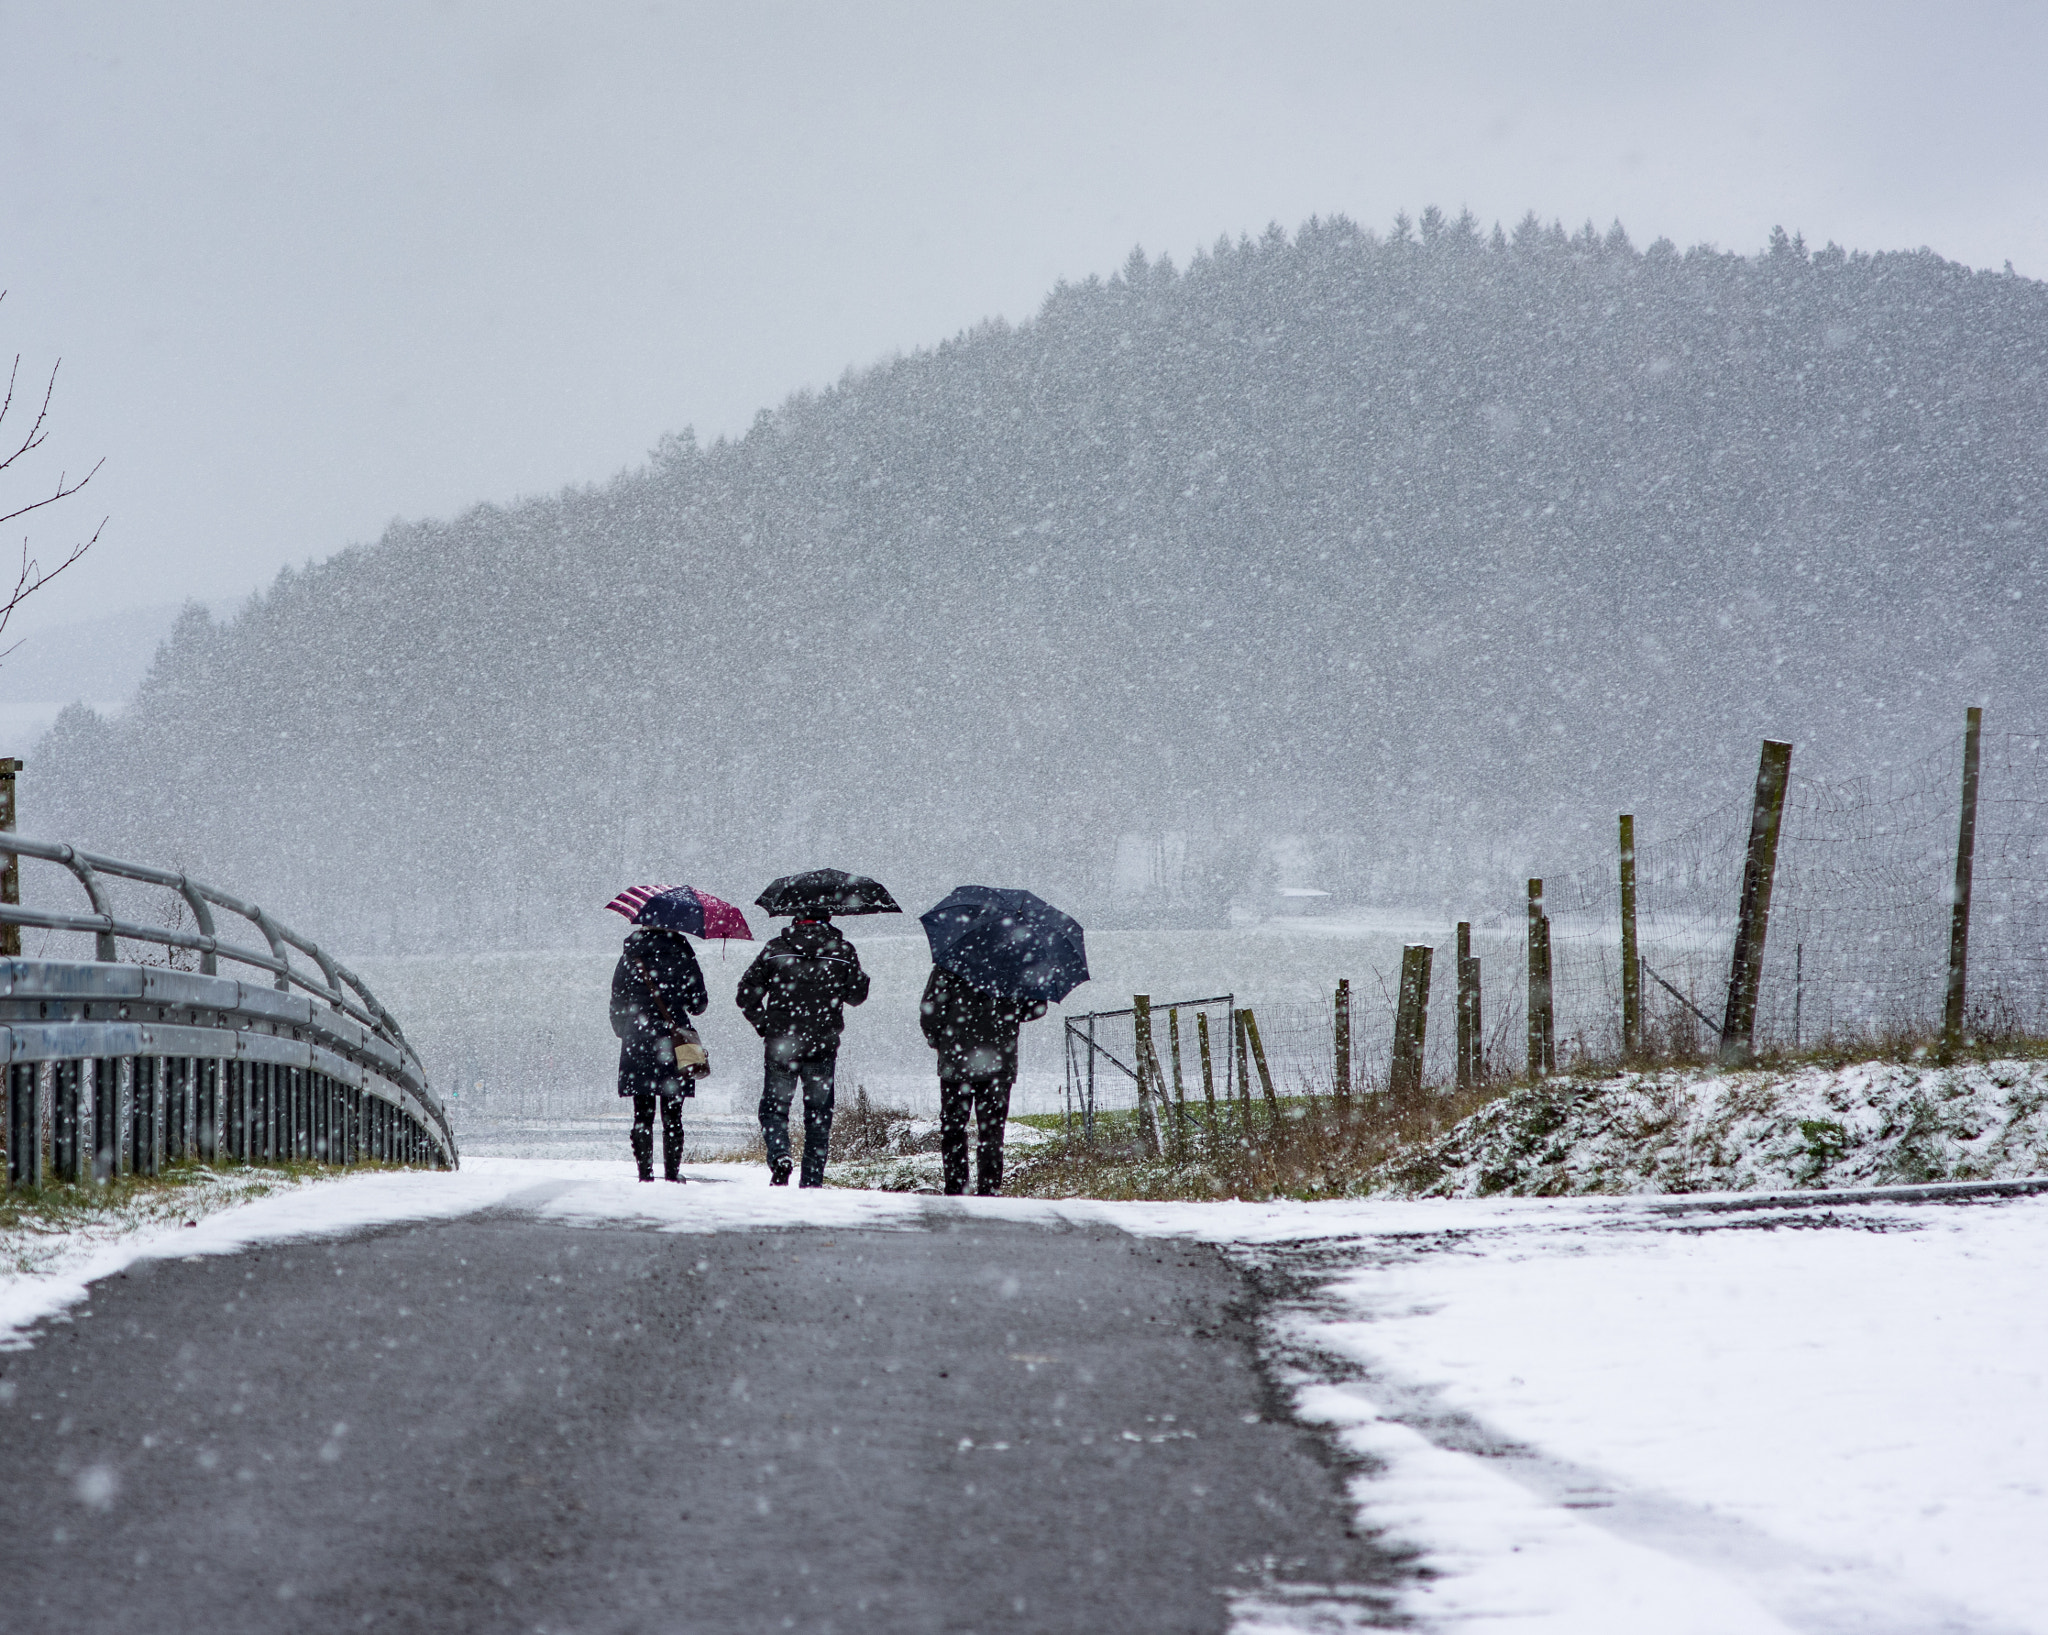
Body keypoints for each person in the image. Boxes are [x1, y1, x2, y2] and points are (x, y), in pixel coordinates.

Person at [736, 915, 870, 1186]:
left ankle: (780, 1155)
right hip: (822, 1045)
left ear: (795, 920)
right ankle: (811, 1182)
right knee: (819, 1117)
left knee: (774, 1109)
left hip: (781, 1045)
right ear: (828, 919)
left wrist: (766, 1026)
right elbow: (857, 996)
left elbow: (746, 994)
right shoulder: (843, 951)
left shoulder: (775, 949)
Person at [919, 964, 1047, 1196]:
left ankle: (956, 1188)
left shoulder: (949, 965)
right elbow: (1037, 1008)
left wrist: (938, 1041)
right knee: (992, 1131)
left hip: (956, 1062)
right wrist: (1009, 1011)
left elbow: (930, 1013)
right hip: (998, 1062)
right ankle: (989, 1190)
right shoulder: (1015, 965)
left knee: (953, 1128)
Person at [609, 923, 709, 1181]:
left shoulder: (631, 955)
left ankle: (645, 1174)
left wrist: (625, 1030)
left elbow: (617, 999)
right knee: (673, 1114)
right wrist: (679, 998)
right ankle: (673, 1174)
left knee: (642, 1113)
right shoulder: (684, 955)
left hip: (638, 1039)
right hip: (675, 1041)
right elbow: (698, 1005)